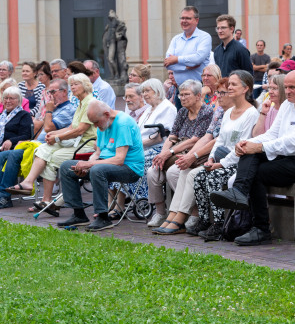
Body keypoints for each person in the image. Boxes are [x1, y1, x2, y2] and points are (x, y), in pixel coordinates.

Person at [209, 70, 295, 245]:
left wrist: (258, 146)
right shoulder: (288, 104)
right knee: (250, 152)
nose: (287, 91)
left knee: (257, 170)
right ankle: (239, 193)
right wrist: (245, 145)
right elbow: (272, 134)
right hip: (287, 158)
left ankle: (261, 229)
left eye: (292, 87)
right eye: (286, 87)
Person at [153, 71, 259, 236]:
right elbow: (220, 140)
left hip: (237, 162)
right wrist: (210, 158)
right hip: (219, 159)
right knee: (192, 173)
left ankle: (215, 223)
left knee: (201, 175)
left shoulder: (251, 113)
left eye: (233, 85)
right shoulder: (228, 113)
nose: (228, 88)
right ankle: (186, 216)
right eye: (227, 85)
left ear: (246, 89)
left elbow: (241, 146)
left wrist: (219, 163)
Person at [7, 74, 96, 211]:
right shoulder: (80, 102)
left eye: (76, 84)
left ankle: (47, 200)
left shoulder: (90, 102)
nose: (72, 87)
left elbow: (80, 130)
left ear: (85, 86)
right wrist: (54, 134)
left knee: (51, 158)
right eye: (71, 84)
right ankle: (30, 184)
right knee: (42, 149)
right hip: (76, 142)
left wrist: (57, 137)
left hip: (87, 144)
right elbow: (72, 127)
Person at [57, 100, 144, 231]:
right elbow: (98, 154)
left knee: (97, 170)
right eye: (93, 123)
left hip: (130, 168)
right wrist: (85, 166)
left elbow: (119, 159)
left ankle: (103, 217)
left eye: (97, 122)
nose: (96, 126)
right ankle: (78, 214)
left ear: (106, 114)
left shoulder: (123, 124)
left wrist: (91, 164)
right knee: (66, 167)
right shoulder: (103, 124)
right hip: (105, 164)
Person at [146, 79, 214, 227]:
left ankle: (192, 213)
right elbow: (173, 136)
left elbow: (194, 140)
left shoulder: (206, 112)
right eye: (180, 95)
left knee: (173, 172)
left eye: (186, 94)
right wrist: (163, 154)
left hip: (194, 153)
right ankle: (160, 212)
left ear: (198, 96)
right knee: (153, 170)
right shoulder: (183, 112)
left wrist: (168, 152)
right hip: (176, 151)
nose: (182, 98)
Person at [108, 79, 177, 217]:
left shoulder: (167, 107)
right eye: (143, 91)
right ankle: (114, 203)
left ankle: (128, 202)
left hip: (158, 148)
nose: (144, 94)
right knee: (112, 160)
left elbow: (161, 136)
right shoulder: (149, 109)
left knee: (125, 162)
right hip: (142, 147)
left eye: (147, 91)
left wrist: (135, 146)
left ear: (157, 91)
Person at [0, 87, 34, 208]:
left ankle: (4, 196)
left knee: (1, 157)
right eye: (6, 98)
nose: (8, 101)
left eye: (11, 98)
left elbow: (27, 135)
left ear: (19, 100)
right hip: (2, 149)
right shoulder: (2, 115)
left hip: (19, 149)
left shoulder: (24, 115)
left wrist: (11, 140)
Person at [164, 6, 212, 86]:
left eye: (188, 18)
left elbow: (197, 59)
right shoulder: (176, 39)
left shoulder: (204, 37)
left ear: (197, 20)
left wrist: (176, 59)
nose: (184, 21)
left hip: (198, 88)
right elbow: (167, 64)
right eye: (182, 18)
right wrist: (186, 67)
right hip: (179, 88)